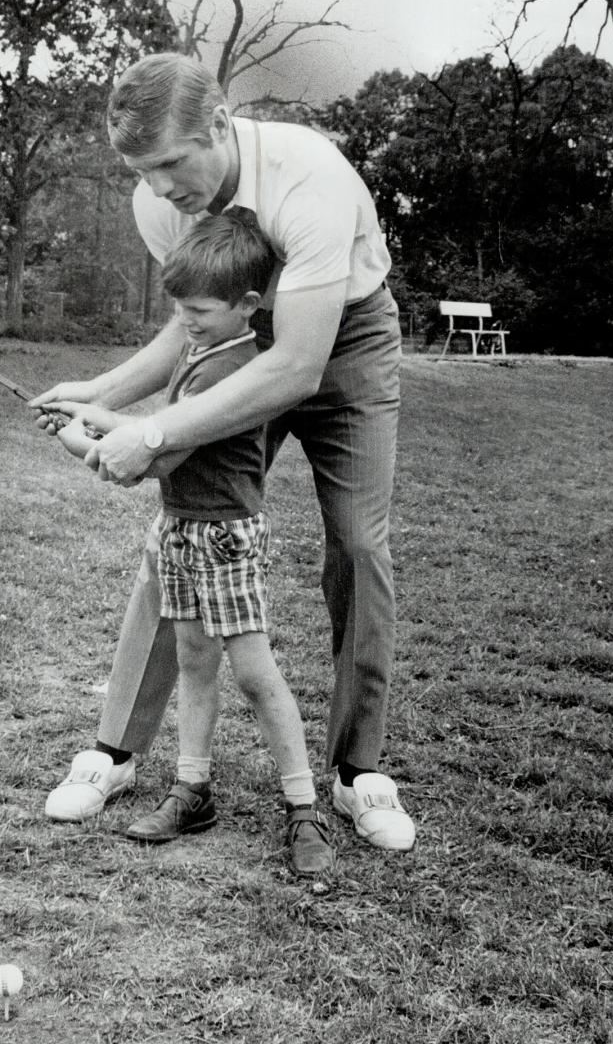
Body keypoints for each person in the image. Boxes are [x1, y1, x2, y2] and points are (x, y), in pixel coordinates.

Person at [33, 52, 415, 855]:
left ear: (219, 123)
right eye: (143, 169)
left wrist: (158, 432)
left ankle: (356, 772)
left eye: (172, 162)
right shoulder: (160, 201)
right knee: (182, 527)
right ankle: (115, 751)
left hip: (346, 339)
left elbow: (298, 364)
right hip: (245, 338)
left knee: (357, 542)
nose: (162, 186)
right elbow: (194, 321)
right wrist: (103, 397)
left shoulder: (310, 177)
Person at [49, 211, 333, 875]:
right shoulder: (201, 353)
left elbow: (152, 459)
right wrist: (93, 416)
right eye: (178, 307)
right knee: (195, 665)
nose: (187, 319)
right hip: (180, 533)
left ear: (248, 306)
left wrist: (75, 435)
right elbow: (153, 432)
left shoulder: (231, 369)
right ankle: (192, 791)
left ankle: (304, 808)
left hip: (223, 541)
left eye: (200, 309)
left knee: (257, 676)